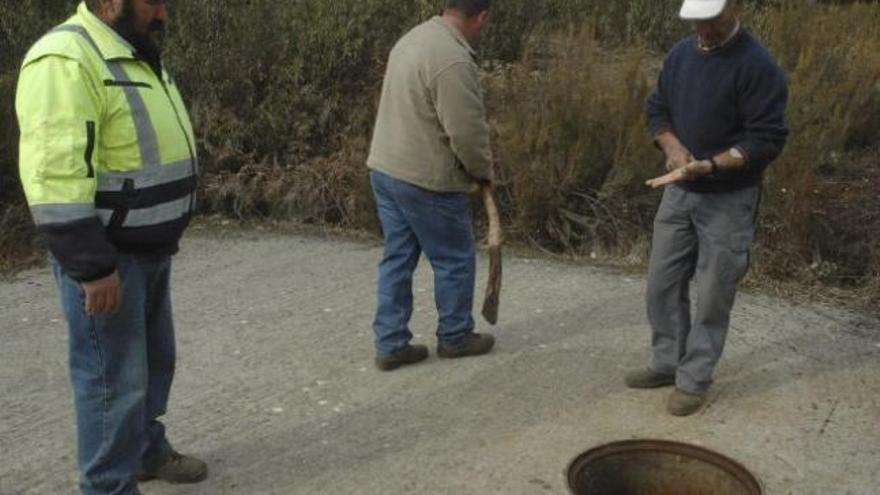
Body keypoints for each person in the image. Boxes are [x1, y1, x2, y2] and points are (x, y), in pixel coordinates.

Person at [16, 1, 206, 493]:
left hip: (150, 250)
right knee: (111, 384)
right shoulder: (66, 58)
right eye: (152, 2)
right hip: (109, 259)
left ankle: (144, 450)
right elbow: (55, 175)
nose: (163, 13)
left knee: (152, 364)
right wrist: (92, 267)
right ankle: (108, 485)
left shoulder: (130, 51)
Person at [626, 0, 789, 416]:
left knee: (714, 293)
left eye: (712, 19)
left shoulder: (758, 66)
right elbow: (656, 110)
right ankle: (666, 362)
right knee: (661, 283)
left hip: (730, 198)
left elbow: (767, 139)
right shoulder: (681, 55)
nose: (704, 28)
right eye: (696, 19)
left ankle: (694, 378)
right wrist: (673, 146)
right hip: (680, 192)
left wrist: (713, 164)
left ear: (735, 7)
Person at [367, 0, 496, 371]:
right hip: (425, 177)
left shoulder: (413, 38)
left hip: (385, 167)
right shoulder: (453, 59)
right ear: (481, 17)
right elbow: (466, 132)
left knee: (397, 258)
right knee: (454, 259)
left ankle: (391, 343)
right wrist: (483, 171)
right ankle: (455, 337)